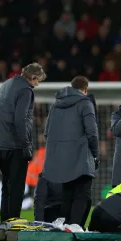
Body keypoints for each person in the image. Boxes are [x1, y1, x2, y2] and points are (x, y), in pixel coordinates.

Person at [42, 76, 99, 227]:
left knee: (67, 193)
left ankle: (65, 224)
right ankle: (75, 226)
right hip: (81, 156)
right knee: (83, 192)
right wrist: (95, 153)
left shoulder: (55, 105)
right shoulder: (85, 103)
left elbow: (47, 133)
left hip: (62, 158)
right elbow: (92, 132)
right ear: (85, 89)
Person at [0, 63, 46, 222]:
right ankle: (13, 224)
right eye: (38, 81)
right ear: (33, 77)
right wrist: (26, 145)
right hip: (15, 145)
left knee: (6, 186)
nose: (37, 85)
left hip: (1, 144)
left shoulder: (7, 84)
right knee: (16, 188)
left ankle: (4, 223)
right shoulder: (25, 90)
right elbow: (20, 119)